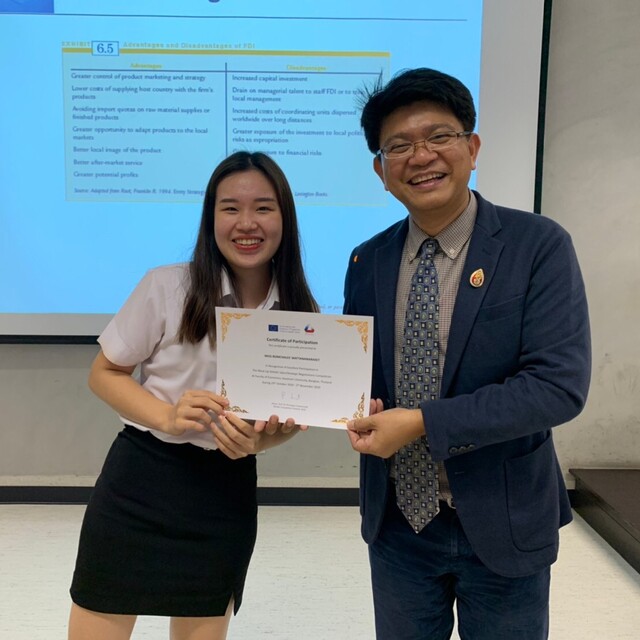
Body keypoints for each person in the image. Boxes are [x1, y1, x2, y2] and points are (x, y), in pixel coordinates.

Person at [343, 68, 591, 639]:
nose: (420, 156)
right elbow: (359, 379)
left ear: (472, 148)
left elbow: (557, 387)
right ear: (381, 171)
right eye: (398, 146)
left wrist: (422, 423)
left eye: (439, 136)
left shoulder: (538, 246)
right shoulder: (367, 260)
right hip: (399, 524)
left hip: (503, 517)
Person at [68, 151, 319, 640]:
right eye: (230, 208)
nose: (247, 223)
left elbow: (288, 421)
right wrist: (166, 416)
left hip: (224, 492)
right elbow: (104, 373)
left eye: (263, 207)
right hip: (139, 482)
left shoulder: (299, 312)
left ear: (285, 218)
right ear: (211, 218)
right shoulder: (167, 286)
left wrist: (261, 441)